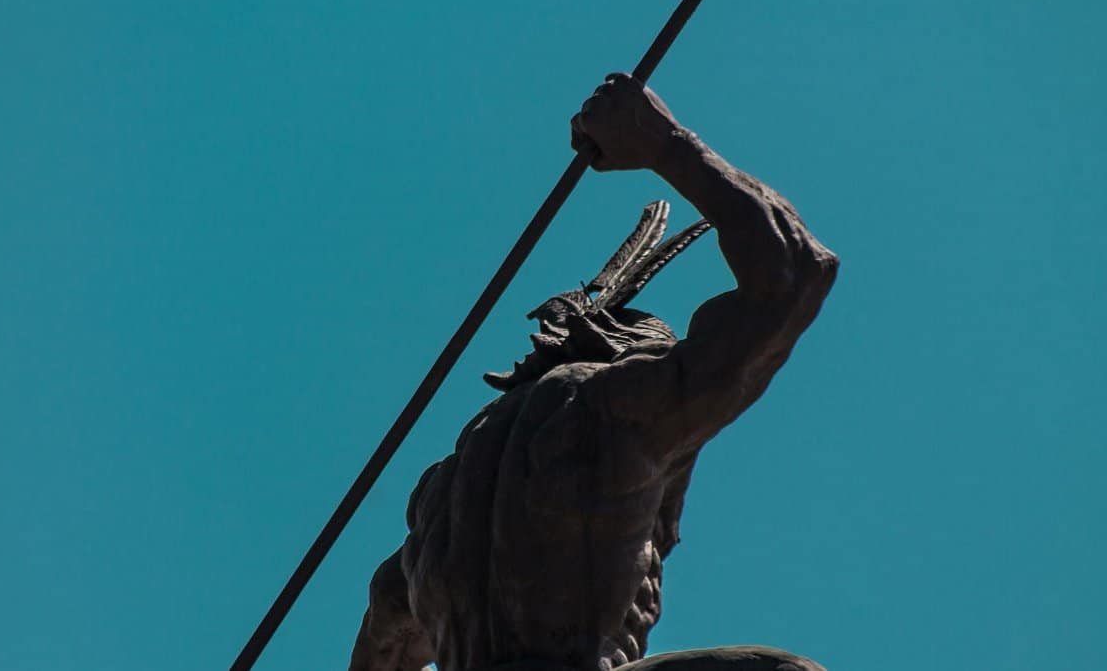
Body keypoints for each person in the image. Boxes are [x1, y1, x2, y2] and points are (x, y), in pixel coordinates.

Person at [349, 72, 839, 671]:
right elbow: (795, 272)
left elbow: (385, 625)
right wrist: (663, 142)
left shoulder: (439, 496)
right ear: (634, 354)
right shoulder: (616, 409)